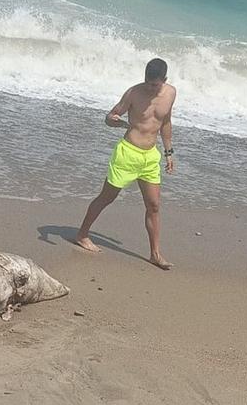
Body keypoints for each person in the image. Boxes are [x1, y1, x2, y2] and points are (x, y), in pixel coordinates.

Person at [75, 58, 176, 269]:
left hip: (150, 157)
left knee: (154, 205)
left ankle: (155, 254)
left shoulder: (170, 94)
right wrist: (115, 120)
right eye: (147, 82)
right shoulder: (134, 93)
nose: (150, 87)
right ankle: (82, 235)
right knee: (106, 198)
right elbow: (111, 116)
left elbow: (165, 122)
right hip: (127, 154)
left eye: (154, 84)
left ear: (164, 81)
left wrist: (168, 152)